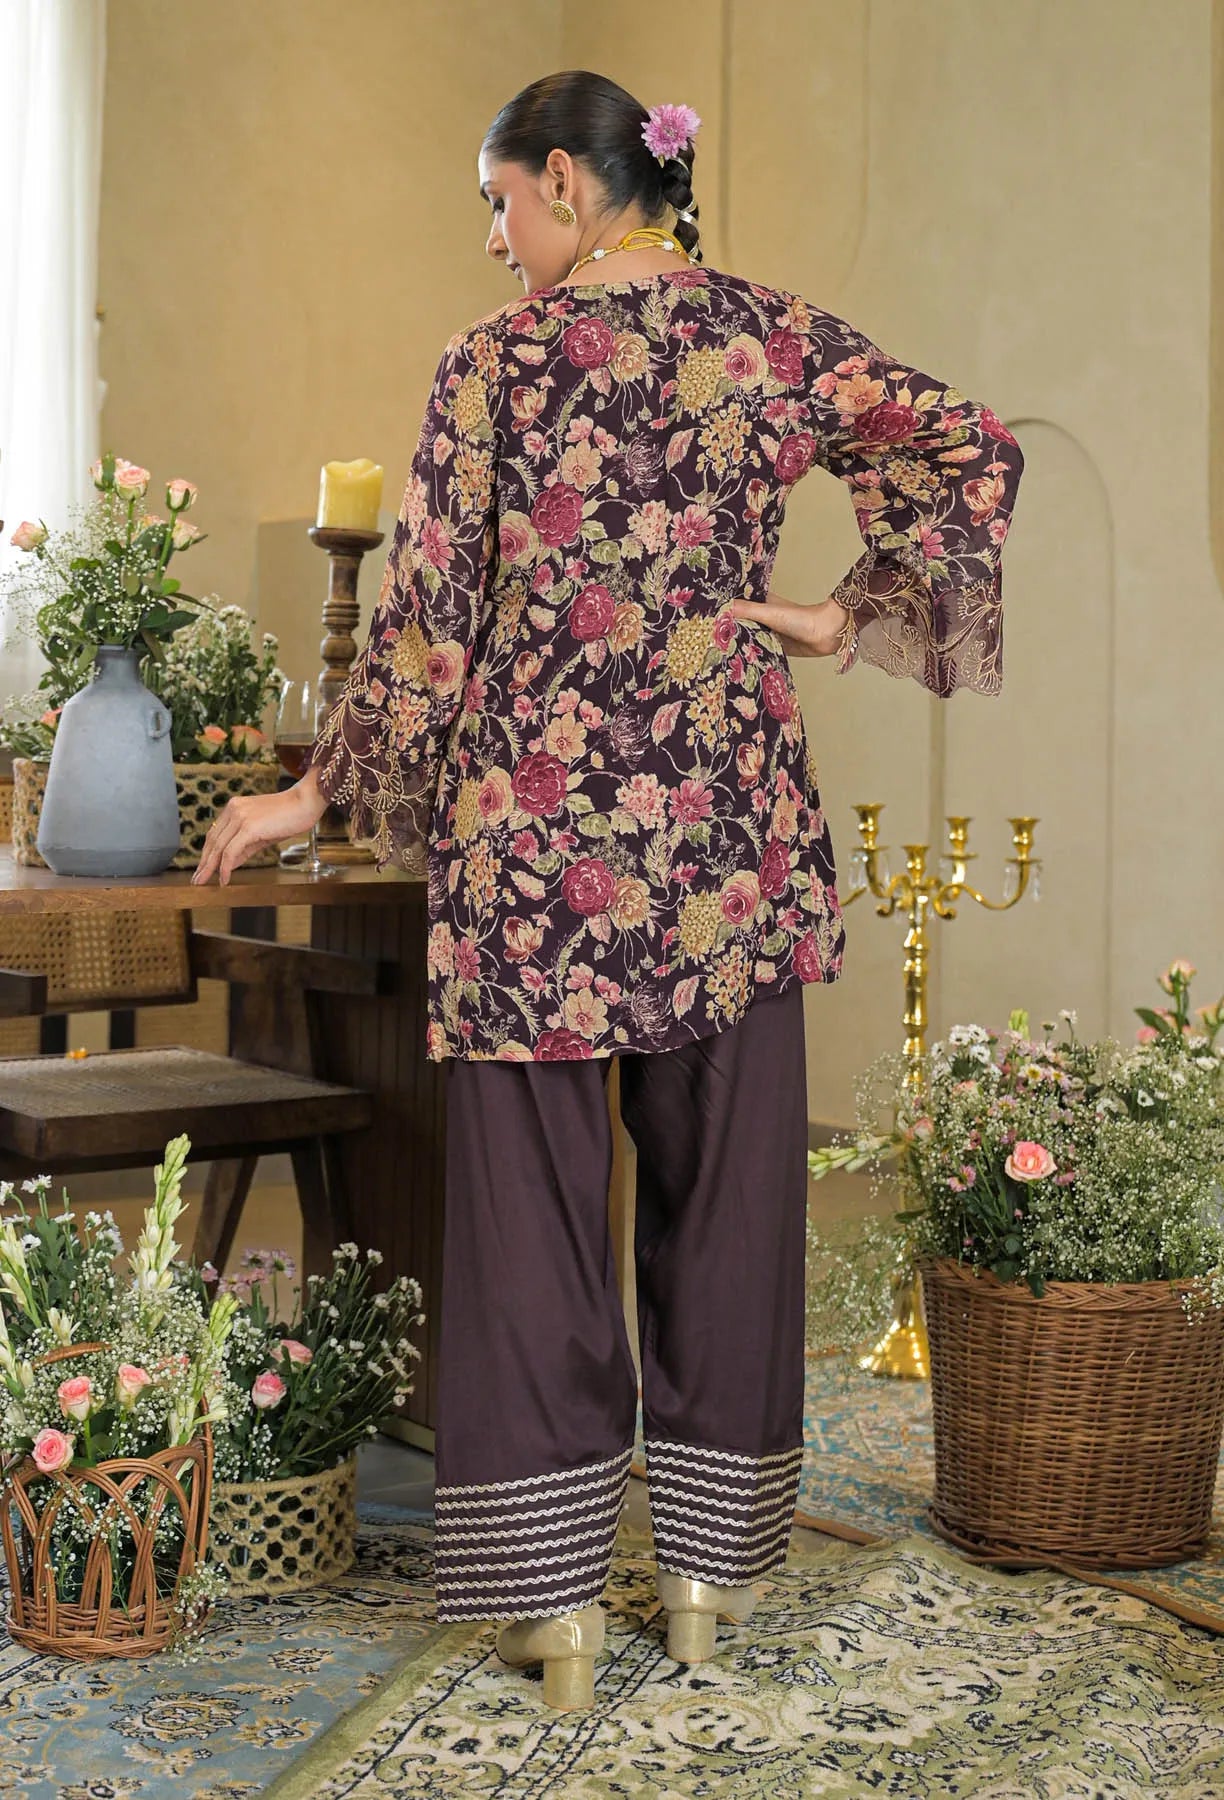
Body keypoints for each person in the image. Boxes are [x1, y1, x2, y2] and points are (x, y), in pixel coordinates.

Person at [193, 70, 1024, 1711]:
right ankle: (709, 1577)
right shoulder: (771, 337)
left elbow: (430, 619)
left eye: (501, 205)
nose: (498, 246)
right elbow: (963, 439)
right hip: (723, 831)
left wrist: (312, 791)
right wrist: (842, 618)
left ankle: (558, 1608)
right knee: (727, 1202)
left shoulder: (490, 365)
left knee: (532, 1219)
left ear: (572, 187)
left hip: (538, 837)